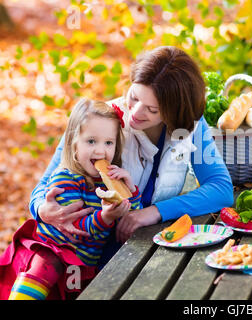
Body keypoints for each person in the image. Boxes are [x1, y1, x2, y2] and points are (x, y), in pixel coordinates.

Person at [29, 46, 234, 268]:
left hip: (150, 245)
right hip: (88, 248)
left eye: (152, 110)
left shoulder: (190, 126)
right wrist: (41, 208)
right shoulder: (100, 120)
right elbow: (42, 187)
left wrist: (154, 212)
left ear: (174, 111)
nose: (135, 113)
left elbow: (220, 189)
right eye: (134, 97)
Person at [0, 99, 142, 300]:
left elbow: (132, 216)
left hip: (82, 264)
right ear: (74, 145)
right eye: (91, 141)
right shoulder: (65, 178)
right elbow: (74, 226)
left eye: (108, 143)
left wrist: (130, 191)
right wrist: (105, 217)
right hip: (55, 250)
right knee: (43, 269)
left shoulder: (108, 181)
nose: (101, 151)